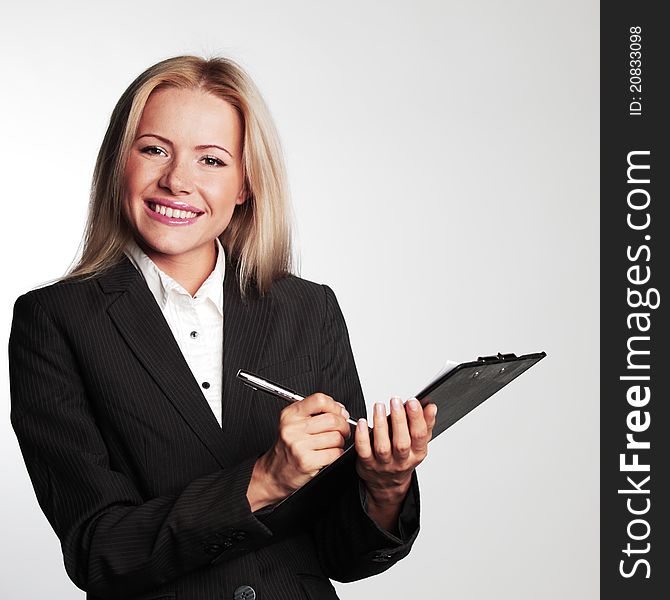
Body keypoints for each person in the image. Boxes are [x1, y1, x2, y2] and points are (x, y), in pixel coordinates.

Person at [8, 55, 437, 600]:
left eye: (211, 160)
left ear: (244, 186)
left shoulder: (308, 310)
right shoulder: (54, 321)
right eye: (154, 149)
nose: (177, 180)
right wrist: (264, 481)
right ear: (121, 163)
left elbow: (342, 555)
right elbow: (99, 552)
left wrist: (385, 485)